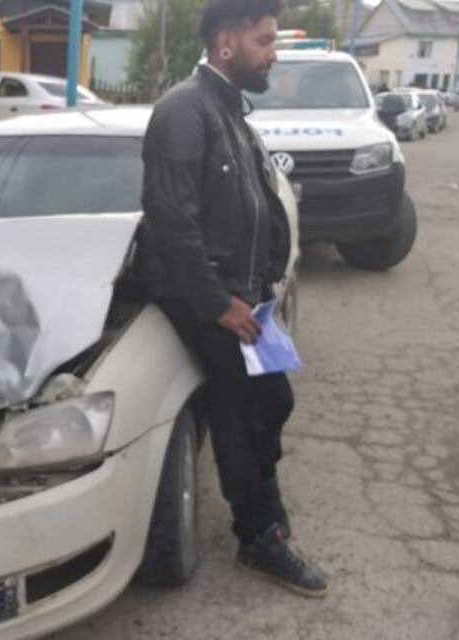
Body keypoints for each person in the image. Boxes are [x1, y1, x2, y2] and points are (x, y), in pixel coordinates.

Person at [138, 0, 327, 597]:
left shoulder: (231, 112)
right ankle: (259, 533)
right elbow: (171, 220)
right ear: (227, 42)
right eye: (265, 41)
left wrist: (266, 281)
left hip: (248, 297)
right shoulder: (183, 112)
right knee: (243, 409)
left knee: (275, 399)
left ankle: (256, 488)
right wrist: (217, 303)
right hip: (210, 298)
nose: (273, 53)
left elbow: (255, 204)